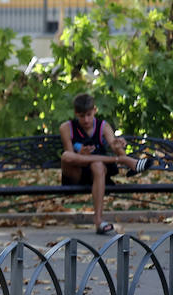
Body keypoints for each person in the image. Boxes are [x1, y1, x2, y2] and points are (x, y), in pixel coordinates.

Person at [60, 92, 150, 235]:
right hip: (76, 173)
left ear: (95, 110)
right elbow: (70, 156)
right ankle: (125, 162)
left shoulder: (103, 126)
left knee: (98, 165)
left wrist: (119, 146)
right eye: (82, 116)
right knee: (66, 156)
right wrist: (81, 153)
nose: (86, 119)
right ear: (76, 114)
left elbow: (115, 146)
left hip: (97, 174)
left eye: (89, 114)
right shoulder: (66, 127)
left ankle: (98, 221)